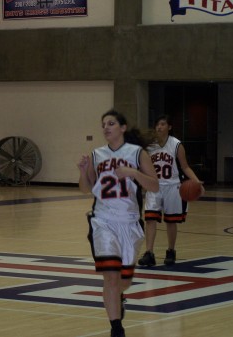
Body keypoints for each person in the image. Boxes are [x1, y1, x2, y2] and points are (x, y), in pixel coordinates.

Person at [78, 110, 159, 337]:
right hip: (103, 221)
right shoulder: (97, 154)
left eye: (111, 123)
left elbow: (154, 186)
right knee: (110, 276)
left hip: (129, 222)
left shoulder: (137, 153)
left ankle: (120, 297)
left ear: (122, 128)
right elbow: (86, 189)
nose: (106, 127)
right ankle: (116, 328)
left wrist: (133, 172)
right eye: (103, 124)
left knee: (123, 281)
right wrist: (83, 172)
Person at [138, 114, 204, 267]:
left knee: (171, 221)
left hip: (173, 187)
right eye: (157, 125)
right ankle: (149, 253)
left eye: (162, 124)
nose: (159, 127)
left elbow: (185, 166)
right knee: (150, 219)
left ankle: (171, 251)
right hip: (154, 186)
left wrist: (196, 182)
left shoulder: (176, 145)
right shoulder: (150, 146)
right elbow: (144, 166)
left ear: (169, 127)